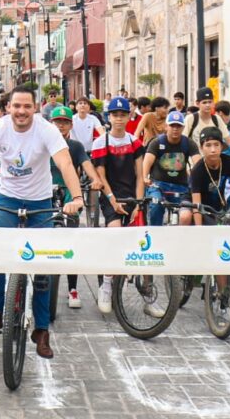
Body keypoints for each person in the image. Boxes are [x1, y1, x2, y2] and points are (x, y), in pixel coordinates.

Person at [0, 85, 84, 360]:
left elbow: (66, 164)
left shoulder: (46, 130)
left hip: (40, 202)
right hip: (7, 199)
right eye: (16, 106)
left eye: (26, 106)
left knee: (42, 266)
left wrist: (76, 197)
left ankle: (41, 330)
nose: (21, 111)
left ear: (35, 107)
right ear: (8, 108)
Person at [90, 97, 147, 313]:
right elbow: (101, 175)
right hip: (110, 196)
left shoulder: (135, 143)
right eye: (115, 115)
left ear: (129, 116)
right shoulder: (100, 143)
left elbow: (140, 176)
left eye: (123, 115)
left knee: (143, 243)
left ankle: (148, 292)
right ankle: (106, 284)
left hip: (133, 197)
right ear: (109, 117)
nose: (119, 119)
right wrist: (112, 199)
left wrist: (138, 205)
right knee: (114, 236)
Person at [49, 106, 104, 311]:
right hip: (45, 193)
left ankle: (73, 288)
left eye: (64, 122)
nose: (61, 125)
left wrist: (96, 180)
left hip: (70, 194)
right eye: (57, 121)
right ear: (51, 124)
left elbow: (87, 165)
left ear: (71, 125)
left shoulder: (76, 146)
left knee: (70, 239)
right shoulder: (43, 144)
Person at [141, 110, 200, 227]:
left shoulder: (189, 143)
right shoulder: (157, 142)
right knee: (155, 205)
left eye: (178, 126)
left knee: (187, 212)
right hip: (158, 185)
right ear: (166, 126)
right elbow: (147, 161)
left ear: (183, 128)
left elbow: (198, 164)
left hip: (181, 188)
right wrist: (144, 177)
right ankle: (155, 233)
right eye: (172, 125)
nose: (175, 129)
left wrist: (197, 178)